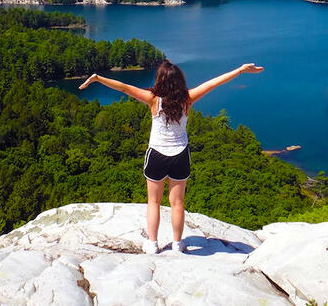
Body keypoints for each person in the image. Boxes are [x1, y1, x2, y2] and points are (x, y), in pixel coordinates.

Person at [79, 60, 263, 253]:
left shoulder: (153, 99)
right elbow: (213, 83)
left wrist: (98, 78)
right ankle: (177, 243)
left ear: (160, 80)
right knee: (177, 203)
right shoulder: (188, 99)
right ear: (179, 81)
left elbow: (125, 88)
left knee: (154, 202)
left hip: (157, 154)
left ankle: (152, 243)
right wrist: (240, 70)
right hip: (180, 155)